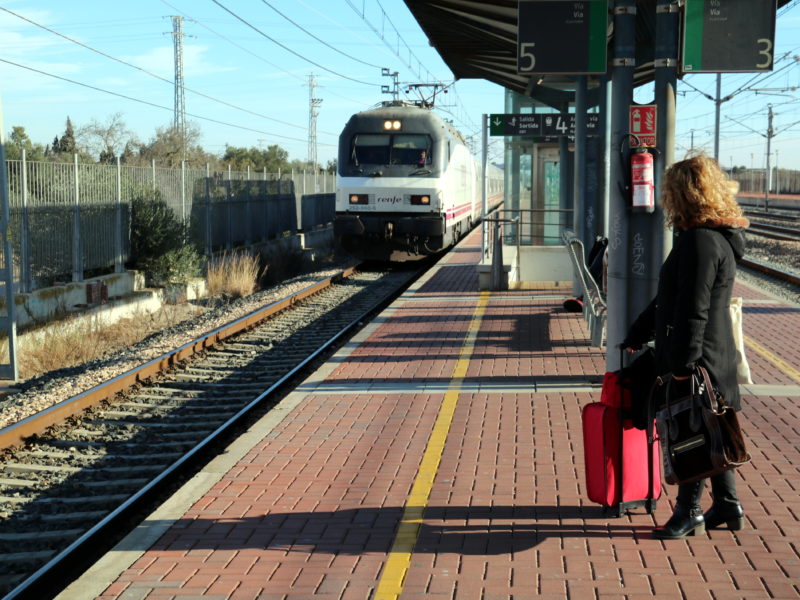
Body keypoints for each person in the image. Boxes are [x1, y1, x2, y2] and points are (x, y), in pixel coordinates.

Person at [622, 153, 750, 539]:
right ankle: (727, 505)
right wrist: (638, 331)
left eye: (672, 192)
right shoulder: (708, 237)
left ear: (685, 194)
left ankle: (688, 511)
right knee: (712, 426)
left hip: (699, 356)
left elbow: (692, 308)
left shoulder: (700, 242)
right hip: (710, 352)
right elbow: (669, 298)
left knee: (690, 432)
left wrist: (683, 364)